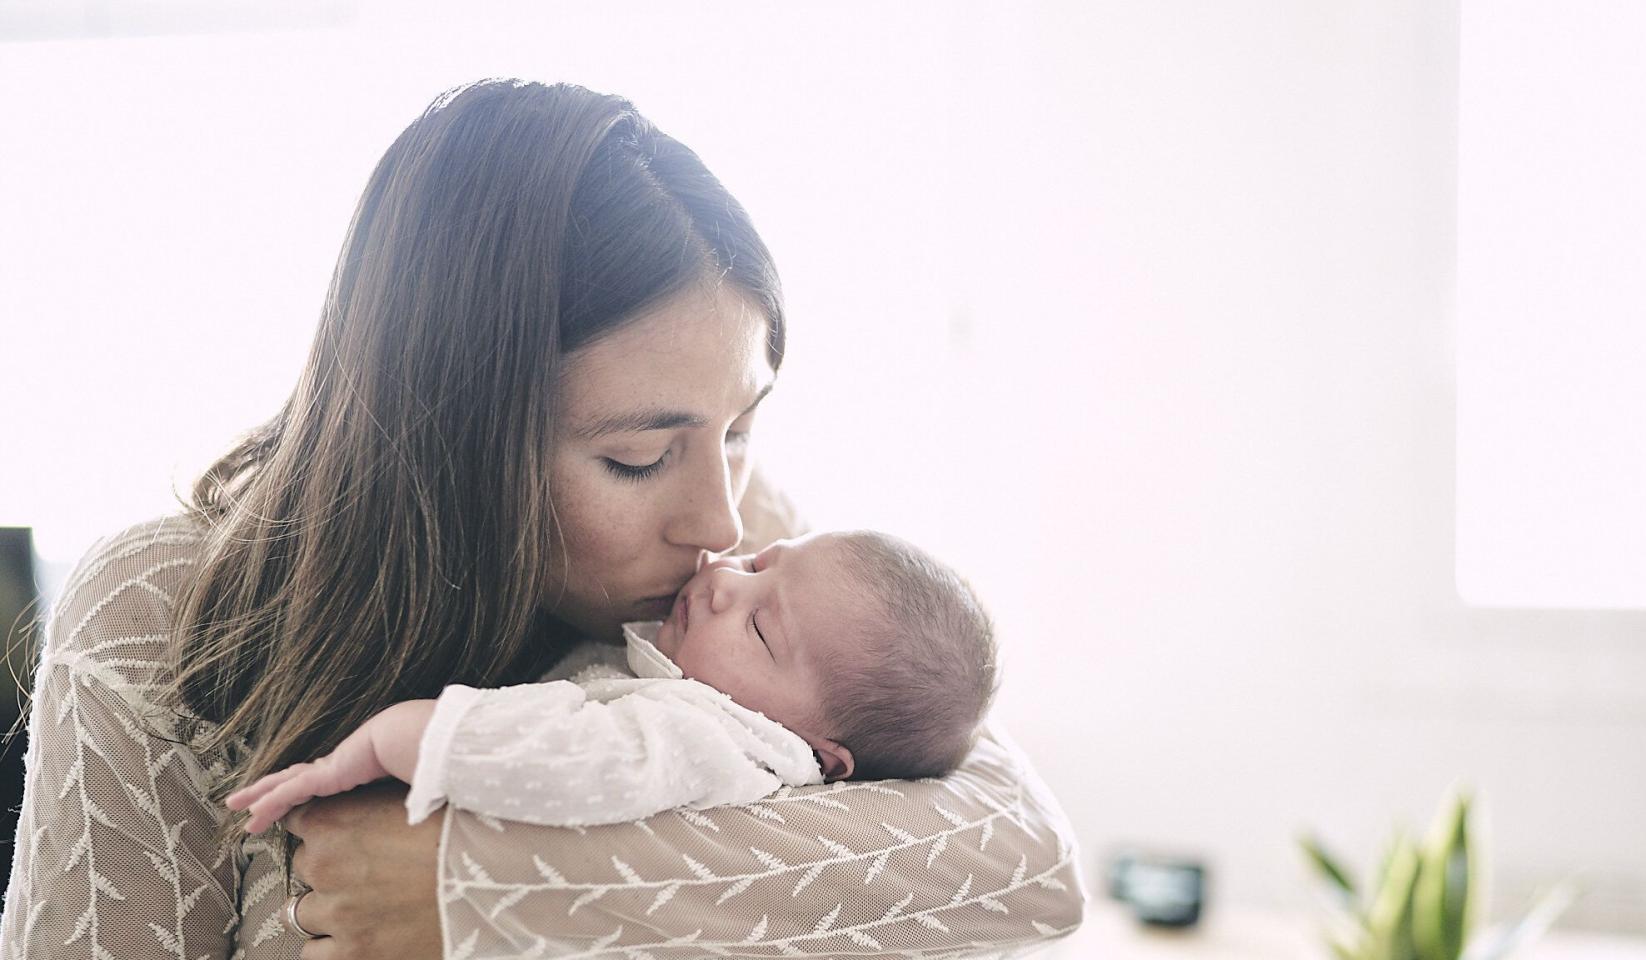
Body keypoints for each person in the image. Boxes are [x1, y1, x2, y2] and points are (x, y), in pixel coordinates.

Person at [0, 79, 1084, 960]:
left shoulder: (752, 551)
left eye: (741, 427)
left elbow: (1024, 860)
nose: (717, 518)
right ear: (446, 433)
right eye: (637, 456)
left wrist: (495, 893)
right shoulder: (159, 608)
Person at [225, 530, 1001, 836]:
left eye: (763, 630)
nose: (726, 579)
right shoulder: (703, 672)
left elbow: (568, 757)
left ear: (822, 757)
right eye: (763, 562)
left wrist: (372, 745)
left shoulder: (718, 741)